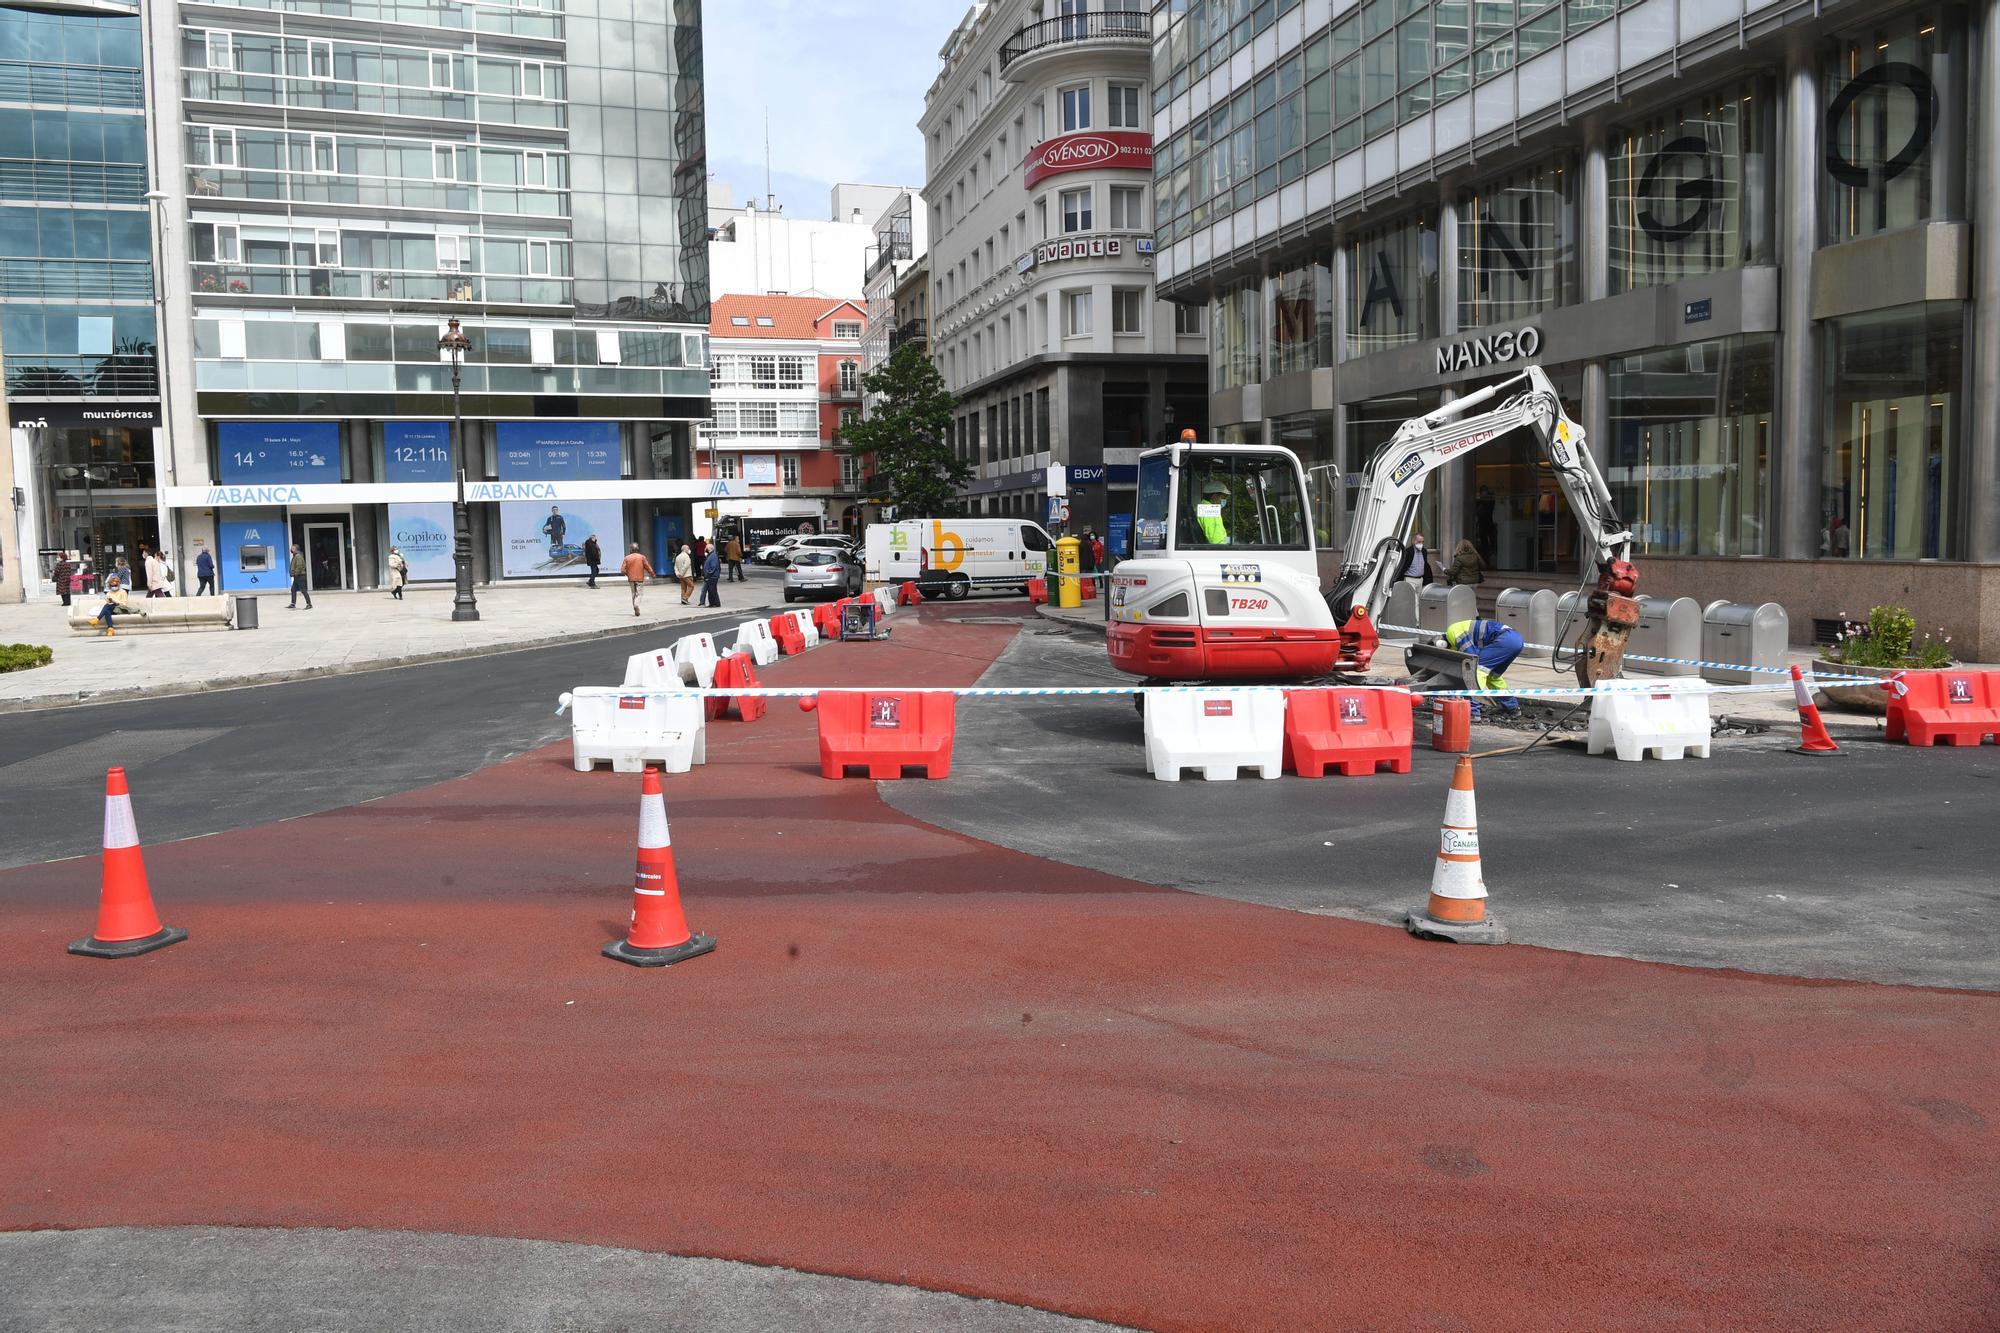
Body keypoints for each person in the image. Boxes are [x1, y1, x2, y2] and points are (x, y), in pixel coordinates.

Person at [1443, 617, 1523, 714]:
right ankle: (1512, 708)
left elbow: (1473, 657)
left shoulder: (1453, 631)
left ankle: (1473, 710)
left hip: (1505, 639)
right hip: (1516, 640)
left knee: (1477, 670)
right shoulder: (1459, 630)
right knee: (1493, 677)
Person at [620, 542, 654, 616]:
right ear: (638, 549)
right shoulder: (642, 557)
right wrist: (652, 574)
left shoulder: (627, 558)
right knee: (640, 593)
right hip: (639, 578)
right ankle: (636, 604)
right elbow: (647, 567)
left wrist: (628, 574)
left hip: (631, 579)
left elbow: (622, 570)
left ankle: (635, 607)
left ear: (631, 549)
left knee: (633, 593)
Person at [95, 571, 132, 635]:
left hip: (120, 609)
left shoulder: (123, 592)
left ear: (118, 584)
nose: (114, 586)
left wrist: (115, 602)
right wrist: (108, 600)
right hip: (111, 609)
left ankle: (97, 619)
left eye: (115, 585)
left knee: (107, 606)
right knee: (107, 611)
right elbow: (108, 602)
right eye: (112, 585)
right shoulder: (109, 593)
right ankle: (110, 629)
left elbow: (124, 604)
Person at [1195, 479, 1230, 544]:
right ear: (1214, 497)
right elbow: (1216, 541)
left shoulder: (1202, 507)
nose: (1223, 500)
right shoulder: (1209, 511)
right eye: (1223, 498)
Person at [287, 543, 312, 609]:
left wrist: (296, 573)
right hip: (297, 576)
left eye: (293, 548)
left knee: (303, 590)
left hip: (300, 576)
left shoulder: (298, 556)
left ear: (297, 549)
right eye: (291, 548)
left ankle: (309, 604)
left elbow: (299, 566)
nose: (291, 549)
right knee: (293, 589)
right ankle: (293, 604)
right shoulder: (295, 556)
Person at [699, 543, 721, 607]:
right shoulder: (710, 555)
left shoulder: (713, 556)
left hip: (712, 577)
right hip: (710, 576)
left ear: (709, 549)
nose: (705, 549)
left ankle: (715, 603)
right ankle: (713, 603)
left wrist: (707, 574)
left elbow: (713, 567)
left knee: (712, 590)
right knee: (711, 590)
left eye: (706, 548)